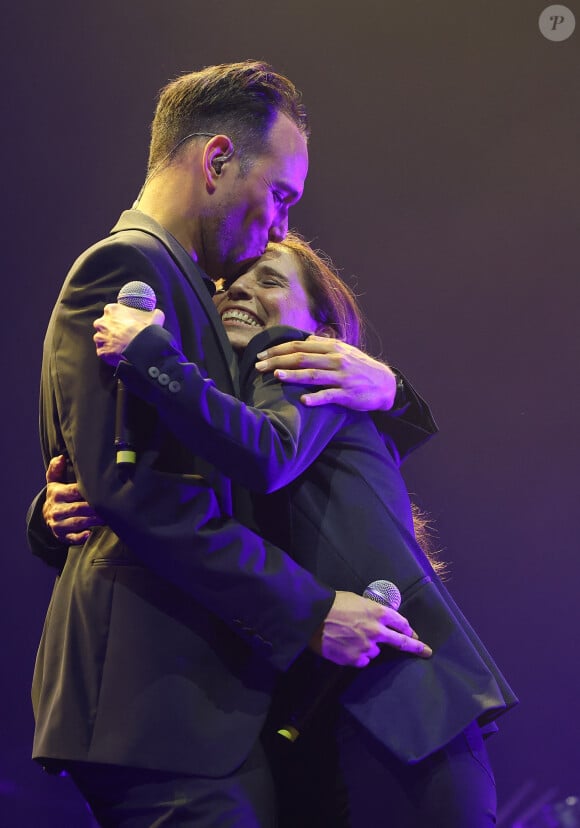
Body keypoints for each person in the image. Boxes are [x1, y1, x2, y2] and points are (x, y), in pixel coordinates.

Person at [30, 61, 433, 827]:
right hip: (157, 703)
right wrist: (312, 610)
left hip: (194, 705)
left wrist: (393, 393)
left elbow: (209, 461)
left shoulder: (190, 288)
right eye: (280, 195)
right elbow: (145, 492)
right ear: (217, 160)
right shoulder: (131, 268)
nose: (280, 228)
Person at [41, 233, 516, 826]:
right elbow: (177, 513)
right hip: (302, 724)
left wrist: (150, 356)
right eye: (226, 282)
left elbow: (267, 454)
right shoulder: (219, 413)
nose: (238, 287)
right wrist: (58, 510)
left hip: (393, 718)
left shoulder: (306, 366)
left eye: (269, 279)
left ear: (321, 324)